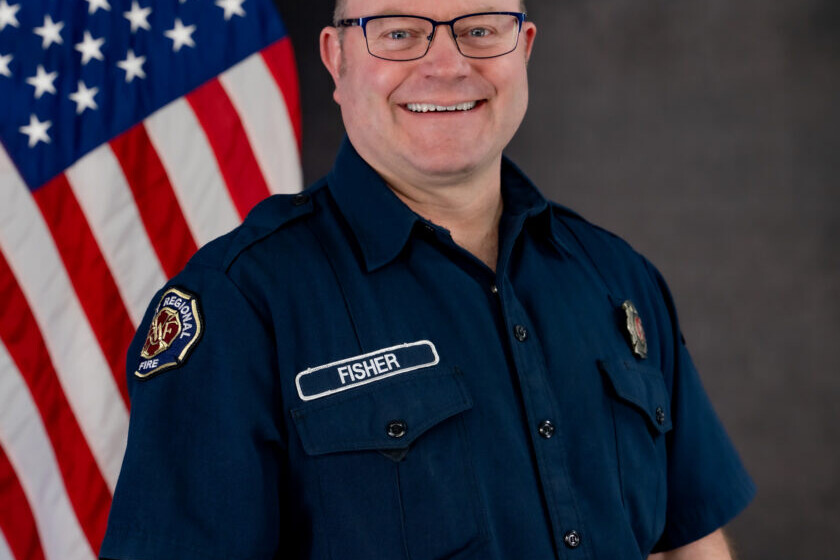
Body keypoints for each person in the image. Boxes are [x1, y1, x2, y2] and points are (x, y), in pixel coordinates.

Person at [100, 0, 755, 558]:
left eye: (479, 28)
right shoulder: (240, 302)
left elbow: (690, 543)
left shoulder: (618, 279)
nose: (447, 65)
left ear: (522, 46)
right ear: (336, 59)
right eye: (399, 31)